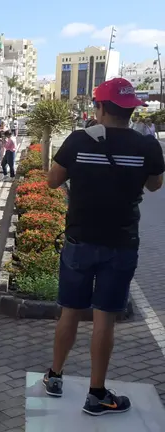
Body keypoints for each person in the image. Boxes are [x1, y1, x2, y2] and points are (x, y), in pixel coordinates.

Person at [43, 78, 164, 416]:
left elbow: (52, 180)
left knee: (69, 311)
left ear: (99, 108)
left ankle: (54, 377)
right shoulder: (147, 146)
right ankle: (96, 394)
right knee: (104, 320)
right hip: (121, 244)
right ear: (130, 110)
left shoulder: (79, 141)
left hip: (79, 241)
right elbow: (155, 185)